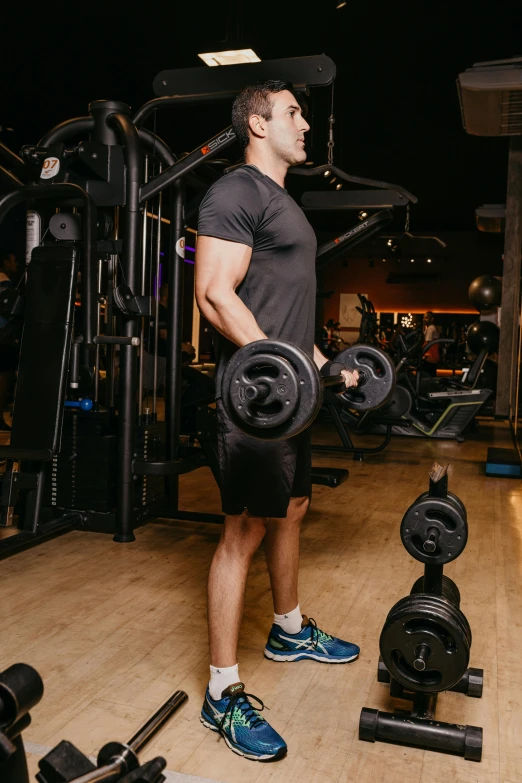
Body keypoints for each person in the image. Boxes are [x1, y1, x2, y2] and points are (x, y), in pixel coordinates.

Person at [195, 80, 360, 762]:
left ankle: (288, 629)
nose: (305, 122)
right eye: (293, 112)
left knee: (291, 509)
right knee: (243, 530)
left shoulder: (282, 203)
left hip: (289, 393)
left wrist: (324, 366)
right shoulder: (236, 193)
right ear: (257, 124)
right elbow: (213, 294)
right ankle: (221, 691)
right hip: (257, 400)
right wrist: (279, 371)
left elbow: (286, 316)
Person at [0, 252, 19, 430]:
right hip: (3, 336)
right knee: (3, 376)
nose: (17, 264)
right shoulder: (4, 282)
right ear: (5, 262)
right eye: (14, 261)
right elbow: (8, 309)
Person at [142, 282, 168, 394]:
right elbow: (164, 334)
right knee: (148, 387)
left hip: (157, 352)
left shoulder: (158, 310)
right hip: (156, 354)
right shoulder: (161, 311)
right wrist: (182, 346)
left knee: (163, 385)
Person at [422, 311, 440, 377]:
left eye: (426, 318)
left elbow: (427, 342)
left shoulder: (430, 328)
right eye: (424, 317)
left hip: (429, 356)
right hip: (433, 356)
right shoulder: (431, 328)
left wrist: (420, 352)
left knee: (427, 376)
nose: (424, 319)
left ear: (432, 319)